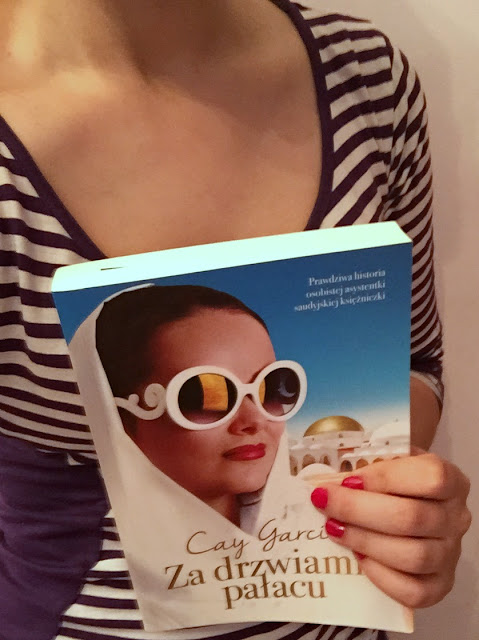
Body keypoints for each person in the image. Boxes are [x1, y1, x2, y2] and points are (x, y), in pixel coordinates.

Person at [0, 1, 471, 640]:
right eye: (203, 396)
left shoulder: (366, 78)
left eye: (278, 387)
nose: (254, 418)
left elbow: (415, 363)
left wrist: (393, 503)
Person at [95, 284, 306, 524]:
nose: (254, 419)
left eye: (269, 388)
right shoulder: (96, 541)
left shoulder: (317, 519)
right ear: (119, 420)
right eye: (206, 396)